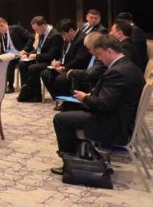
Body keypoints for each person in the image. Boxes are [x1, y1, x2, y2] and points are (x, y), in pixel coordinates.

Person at [51, 35, 145, 175]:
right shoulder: (129, 66)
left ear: (109, 51)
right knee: (70, 109)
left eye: (100, 55)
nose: (99, 59)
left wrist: (85, 98)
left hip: (113, 123)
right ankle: (81, 156)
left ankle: (70, 162)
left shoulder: (117, 72)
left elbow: (105, 104)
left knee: (61, 119)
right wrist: (89, 97)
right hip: (122, 116)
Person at [40, 19, 91, 101]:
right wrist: (59, 61)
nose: (63, 37)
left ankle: (68, 101)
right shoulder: (68, 38)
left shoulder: (82, 39)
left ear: (71, 30)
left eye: (63, 34)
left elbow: (79, 60)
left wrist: (64, 68)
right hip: (66, 65)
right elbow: (64, 54)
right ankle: (59, 98)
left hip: (77, 68)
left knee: (60, 79)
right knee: (45, 74)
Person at [17, 16, 63, 103]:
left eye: (36, 29)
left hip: (52, 61)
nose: (35, 32)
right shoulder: (42, 32)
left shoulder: (55, 36)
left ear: (43, 26)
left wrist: (35, 56)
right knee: (22, 64)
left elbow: (51, 55)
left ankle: (37, 95)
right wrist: (27, 53)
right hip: (42, 58)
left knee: (33, 68)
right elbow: (39, 49)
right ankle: (26, 91)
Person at [0, 17, 33, 94]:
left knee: (9, 60)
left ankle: (10, 86)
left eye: (1, 25)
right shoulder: (1, 37)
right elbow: (3, 50)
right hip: (10, 54)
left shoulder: (16, 29)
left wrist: (25, 50)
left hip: (21, 52)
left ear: (6, 24)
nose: (0, 28)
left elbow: (31, 37)